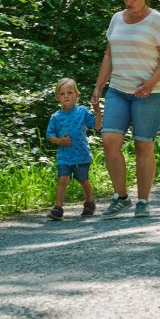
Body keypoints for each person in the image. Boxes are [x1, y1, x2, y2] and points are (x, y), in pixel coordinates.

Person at [91, 0, 160, 219]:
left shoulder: (156, 21)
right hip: (118, 89)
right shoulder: (116, 19)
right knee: (109, 141)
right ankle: (121, 197)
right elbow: (109, 55)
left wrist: (150, 83)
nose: (130, 3)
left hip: (150, 93)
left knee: (142, 145)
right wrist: (98, 86)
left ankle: (143, 200)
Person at [45, 78, 101, 220]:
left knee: (83, 180)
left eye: (70, 92)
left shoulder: (82, 111)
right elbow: (50, 135)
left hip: (81, 155)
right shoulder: (56, 117)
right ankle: (58, 208)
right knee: (63, 179)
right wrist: (60, 141)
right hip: (64, 156)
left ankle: (89, 202)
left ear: (77, 95)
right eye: (62, 94)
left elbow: (97, 125)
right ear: (57, 97)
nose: (66, 96)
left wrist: (98, 112)